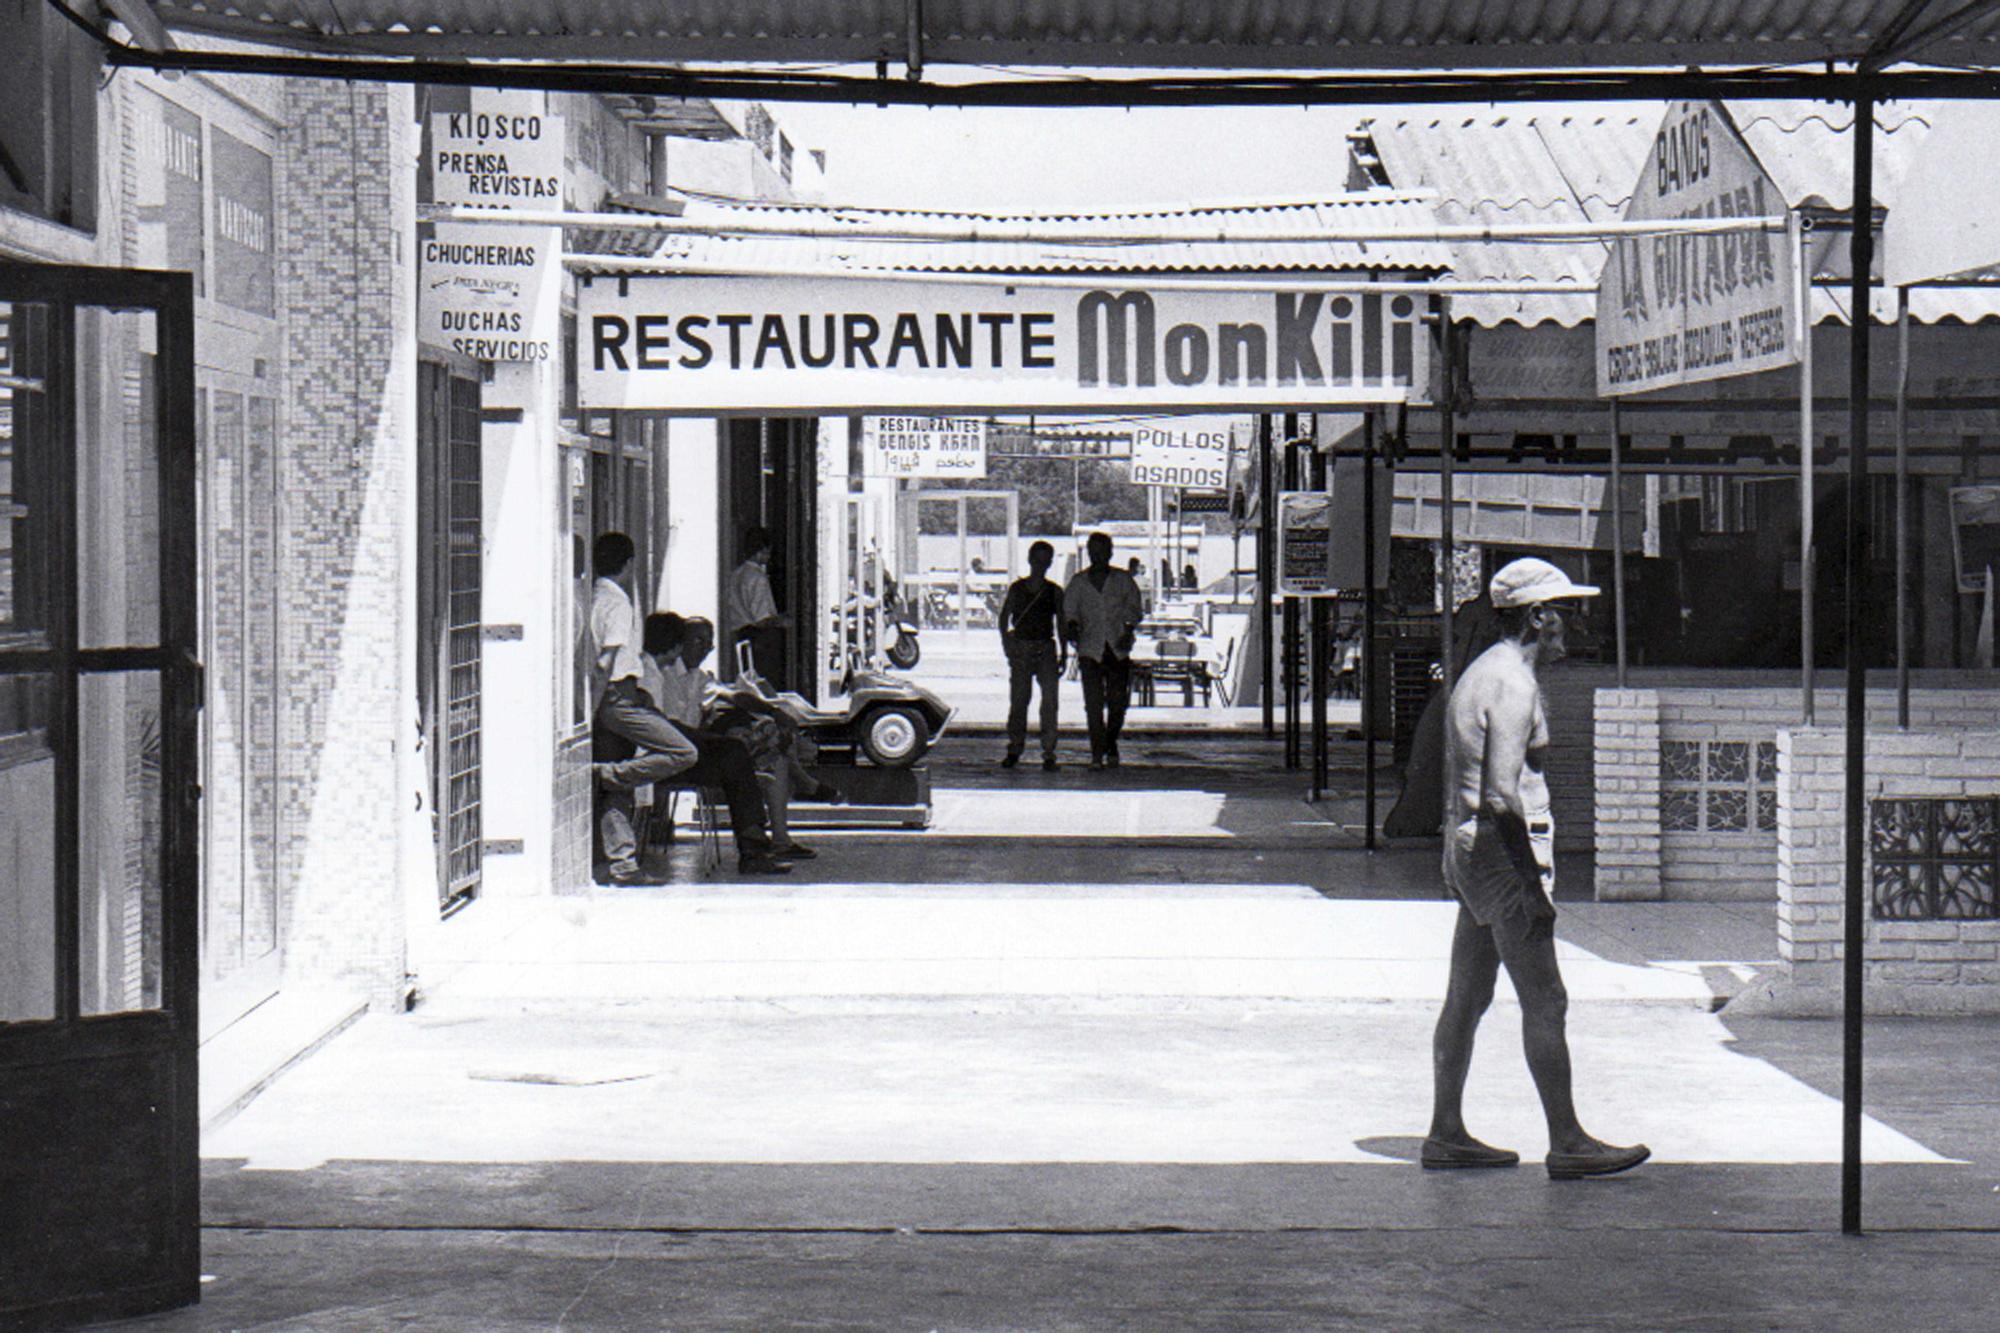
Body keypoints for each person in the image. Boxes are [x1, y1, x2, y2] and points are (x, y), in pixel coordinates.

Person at [1425, 558, 1648, 1178]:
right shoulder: (1513, 684)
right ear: (1537, 617)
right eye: (1565, 610)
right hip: (1501, 854)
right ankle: (1569, 1141)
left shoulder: (1484, 674)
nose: (1573, 622)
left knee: (1466, 997)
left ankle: (1446, 1133)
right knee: (1546, 999)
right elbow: (1501, 794)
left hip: (1472, 850)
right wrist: (1529, 885)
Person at [644, 613, 835, 863]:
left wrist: (774, 711)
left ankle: (777, 839)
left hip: (694, 749)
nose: (704, 649)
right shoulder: (659, 672)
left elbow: (734, 696)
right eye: (697, 641)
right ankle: (757, 843)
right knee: (736, 755)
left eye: (708, 643)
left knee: (766, 747)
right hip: (672, 752)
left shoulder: (700, 678)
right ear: (680, 642)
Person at [590, 532, 701, 884]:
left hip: (618, 695)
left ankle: (622, 863)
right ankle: (603, 773)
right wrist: (596, 706)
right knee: (682, 751)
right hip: (617, 697)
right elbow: (607, 660)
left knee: (618, 786)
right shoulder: (619, 604)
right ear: (629, 564)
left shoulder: (593, 597)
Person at [1063, 533, 1145, 770]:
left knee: (1118, 703)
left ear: (1110, 552)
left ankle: (1111, 741)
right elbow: (1070, 612)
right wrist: (1072, 629)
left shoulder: (1123, 580)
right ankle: (1097, 752)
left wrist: (1128, 630)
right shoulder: (1079, 582)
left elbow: (1135, 609)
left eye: (1101, 551)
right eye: (1093, 552)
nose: (1097, 556)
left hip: (1117, 649)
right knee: (1093, 704)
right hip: (1090, 649)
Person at [997, 540, 1065, 771]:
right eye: (1038, 560)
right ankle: (1016, 747)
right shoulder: (1019, 589)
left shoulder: (1054, 591)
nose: (1040, 565)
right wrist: (1007, 643)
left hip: (1045, 647)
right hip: (1024, 647)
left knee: (1049, 703)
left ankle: (1048, 751)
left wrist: (1063, 652)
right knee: (1019, 701)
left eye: (1045, 561)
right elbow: (1004, 617)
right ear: (1030, 560)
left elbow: (1061, 623)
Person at [726, 524, 788, 684]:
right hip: (759, 640)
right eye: (768, 551)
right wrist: (782, 621)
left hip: (739, 635)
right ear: (762, 550)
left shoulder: (736, 574)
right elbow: (761, 618)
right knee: (762, 685)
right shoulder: (758, 578)